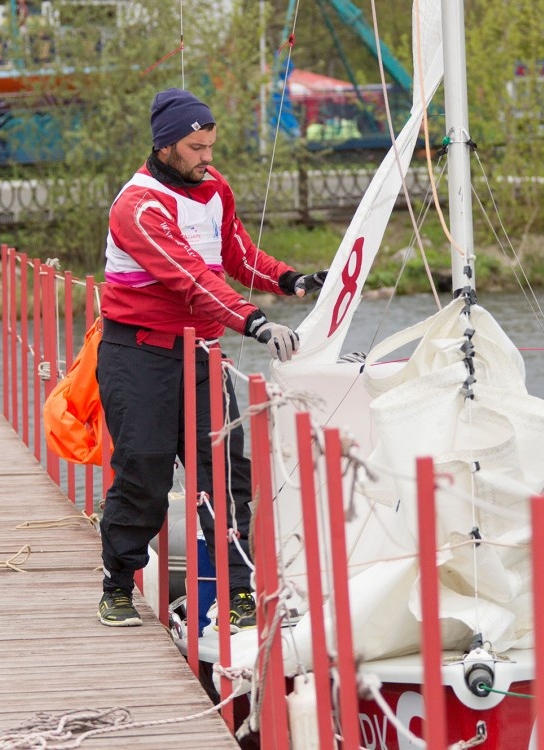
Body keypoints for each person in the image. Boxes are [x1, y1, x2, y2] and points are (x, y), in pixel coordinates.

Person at [96, 88, 328, 628]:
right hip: (139, 357)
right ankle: (117, 584)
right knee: (143, 470)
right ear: (166, 146)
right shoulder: (138, 207)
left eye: (211, 145)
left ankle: (240, 592)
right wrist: (255, 321)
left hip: (201, 356)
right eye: (197, 147)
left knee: (226, 475)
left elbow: (236, 254)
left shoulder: (214, 186)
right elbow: (190, 279)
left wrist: (292, 281)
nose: (207, 157)